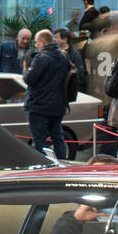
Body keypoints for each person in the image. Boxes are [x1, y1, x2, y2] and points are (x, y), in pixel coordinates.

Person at [24, 28, 71, 159]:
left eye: (36, 42)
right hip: (58, 106)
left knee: (39, 141)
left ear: (43, 42)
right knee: (58, 137)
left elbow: (29, 79)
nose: (35, 45)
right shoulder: (63, 57)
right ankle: (62, 164)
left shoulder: (41, 58)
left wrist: (25, 69)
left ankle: (42, 168)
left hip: (40, 106)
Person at [55, 28, 85, 100]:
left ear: (65, 39)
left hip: (69, 94)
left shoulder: (75, 55)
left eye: (56, 37)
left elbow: (80, 75)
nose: (53, 39)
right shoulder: (55, 53)